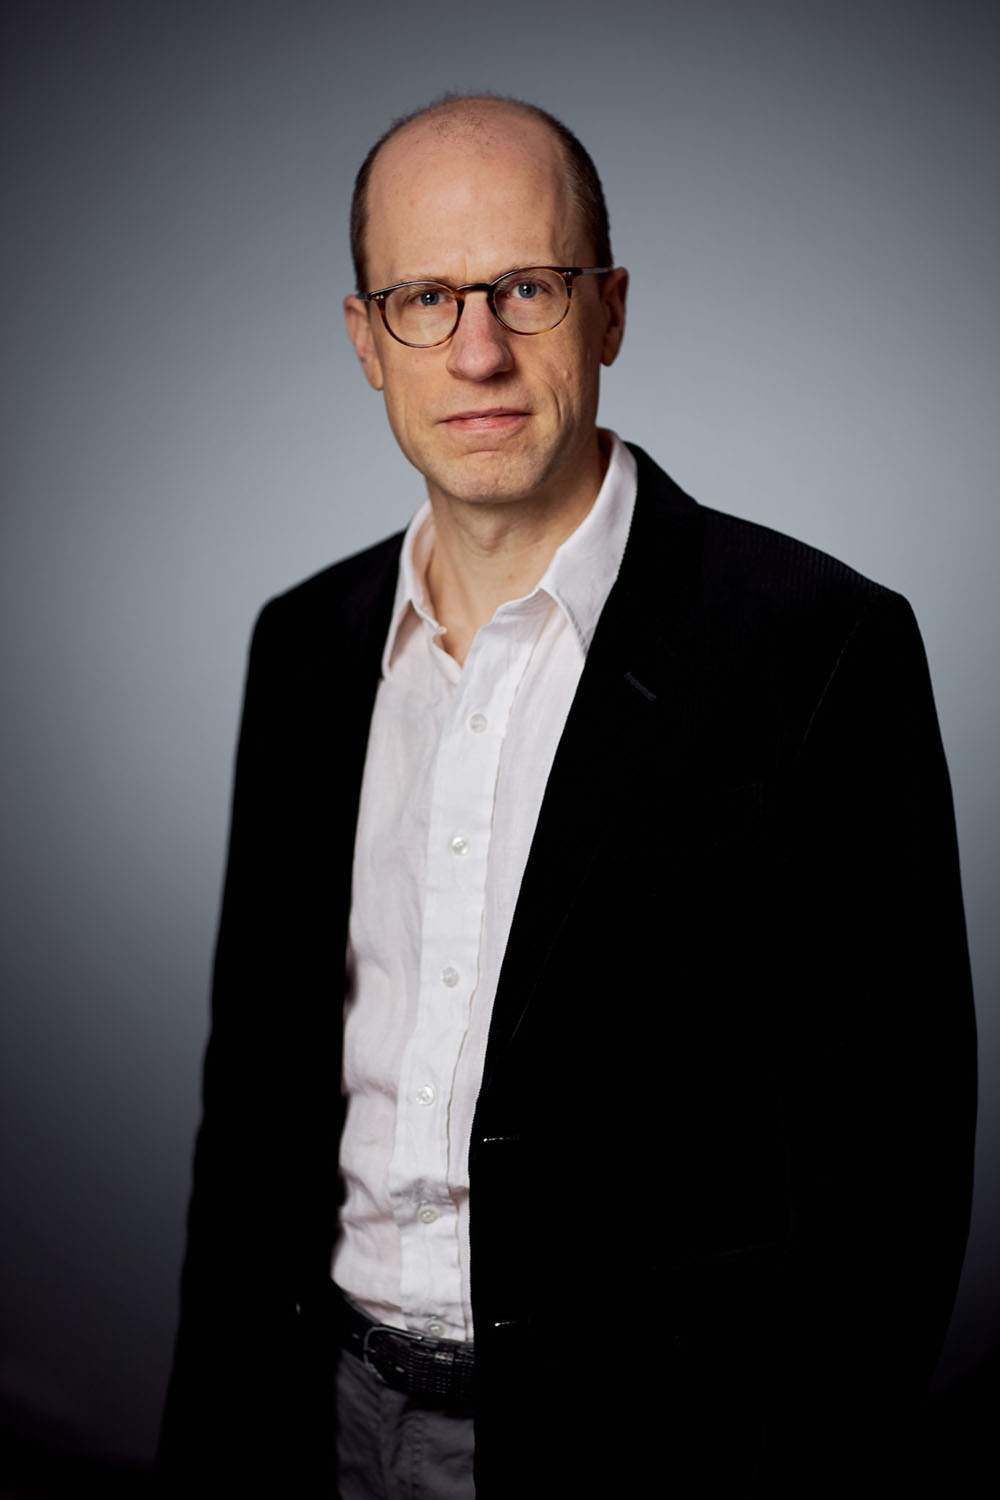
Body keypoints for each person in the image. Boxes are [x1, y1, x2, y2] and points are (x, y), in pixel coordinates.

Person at [158, 94, 977, 1498]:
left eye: (526, 286)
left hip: (656, 1451)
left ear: (607, 312)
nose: (477, 348)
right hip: (320, 1413)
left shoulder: (818, 649)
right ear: (365, 339)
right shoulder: (302, 647)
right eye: (425, 296)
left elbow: (889, 1185)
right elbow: (252, 1112)